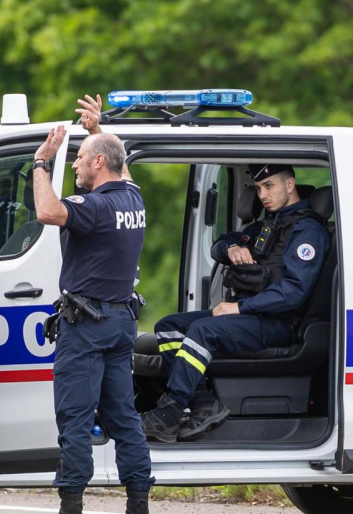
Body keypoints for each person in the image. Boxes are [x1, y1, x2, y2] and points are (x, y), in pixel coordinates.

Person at [141, 163, 330, 443]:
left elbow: (293, 292)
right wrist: (232, 248)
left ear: (290, 185)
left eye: (269, 186)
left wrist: (239, 307)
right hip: (252, 317)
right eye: (258, 188)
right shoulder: (267, 224)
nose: (262, 195)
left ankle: (171, 410)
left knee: (202, 330)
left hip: (279, 323)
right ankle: (203, 402)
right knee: (168, 326)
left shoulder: (307, 231)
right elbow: (218, 244)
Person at [31, 121, 153, 514]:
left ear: (99, 162)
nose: (76, 164)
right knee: (124, 418)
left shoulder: (94, 205)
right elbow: (123, 169)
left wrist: (41, 162)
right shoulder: (132, 197)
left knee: (75, 418)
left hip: (85, 326)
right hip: (120, 322)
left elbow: (47, 211)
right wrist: (98, 130)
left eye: (81, 158)